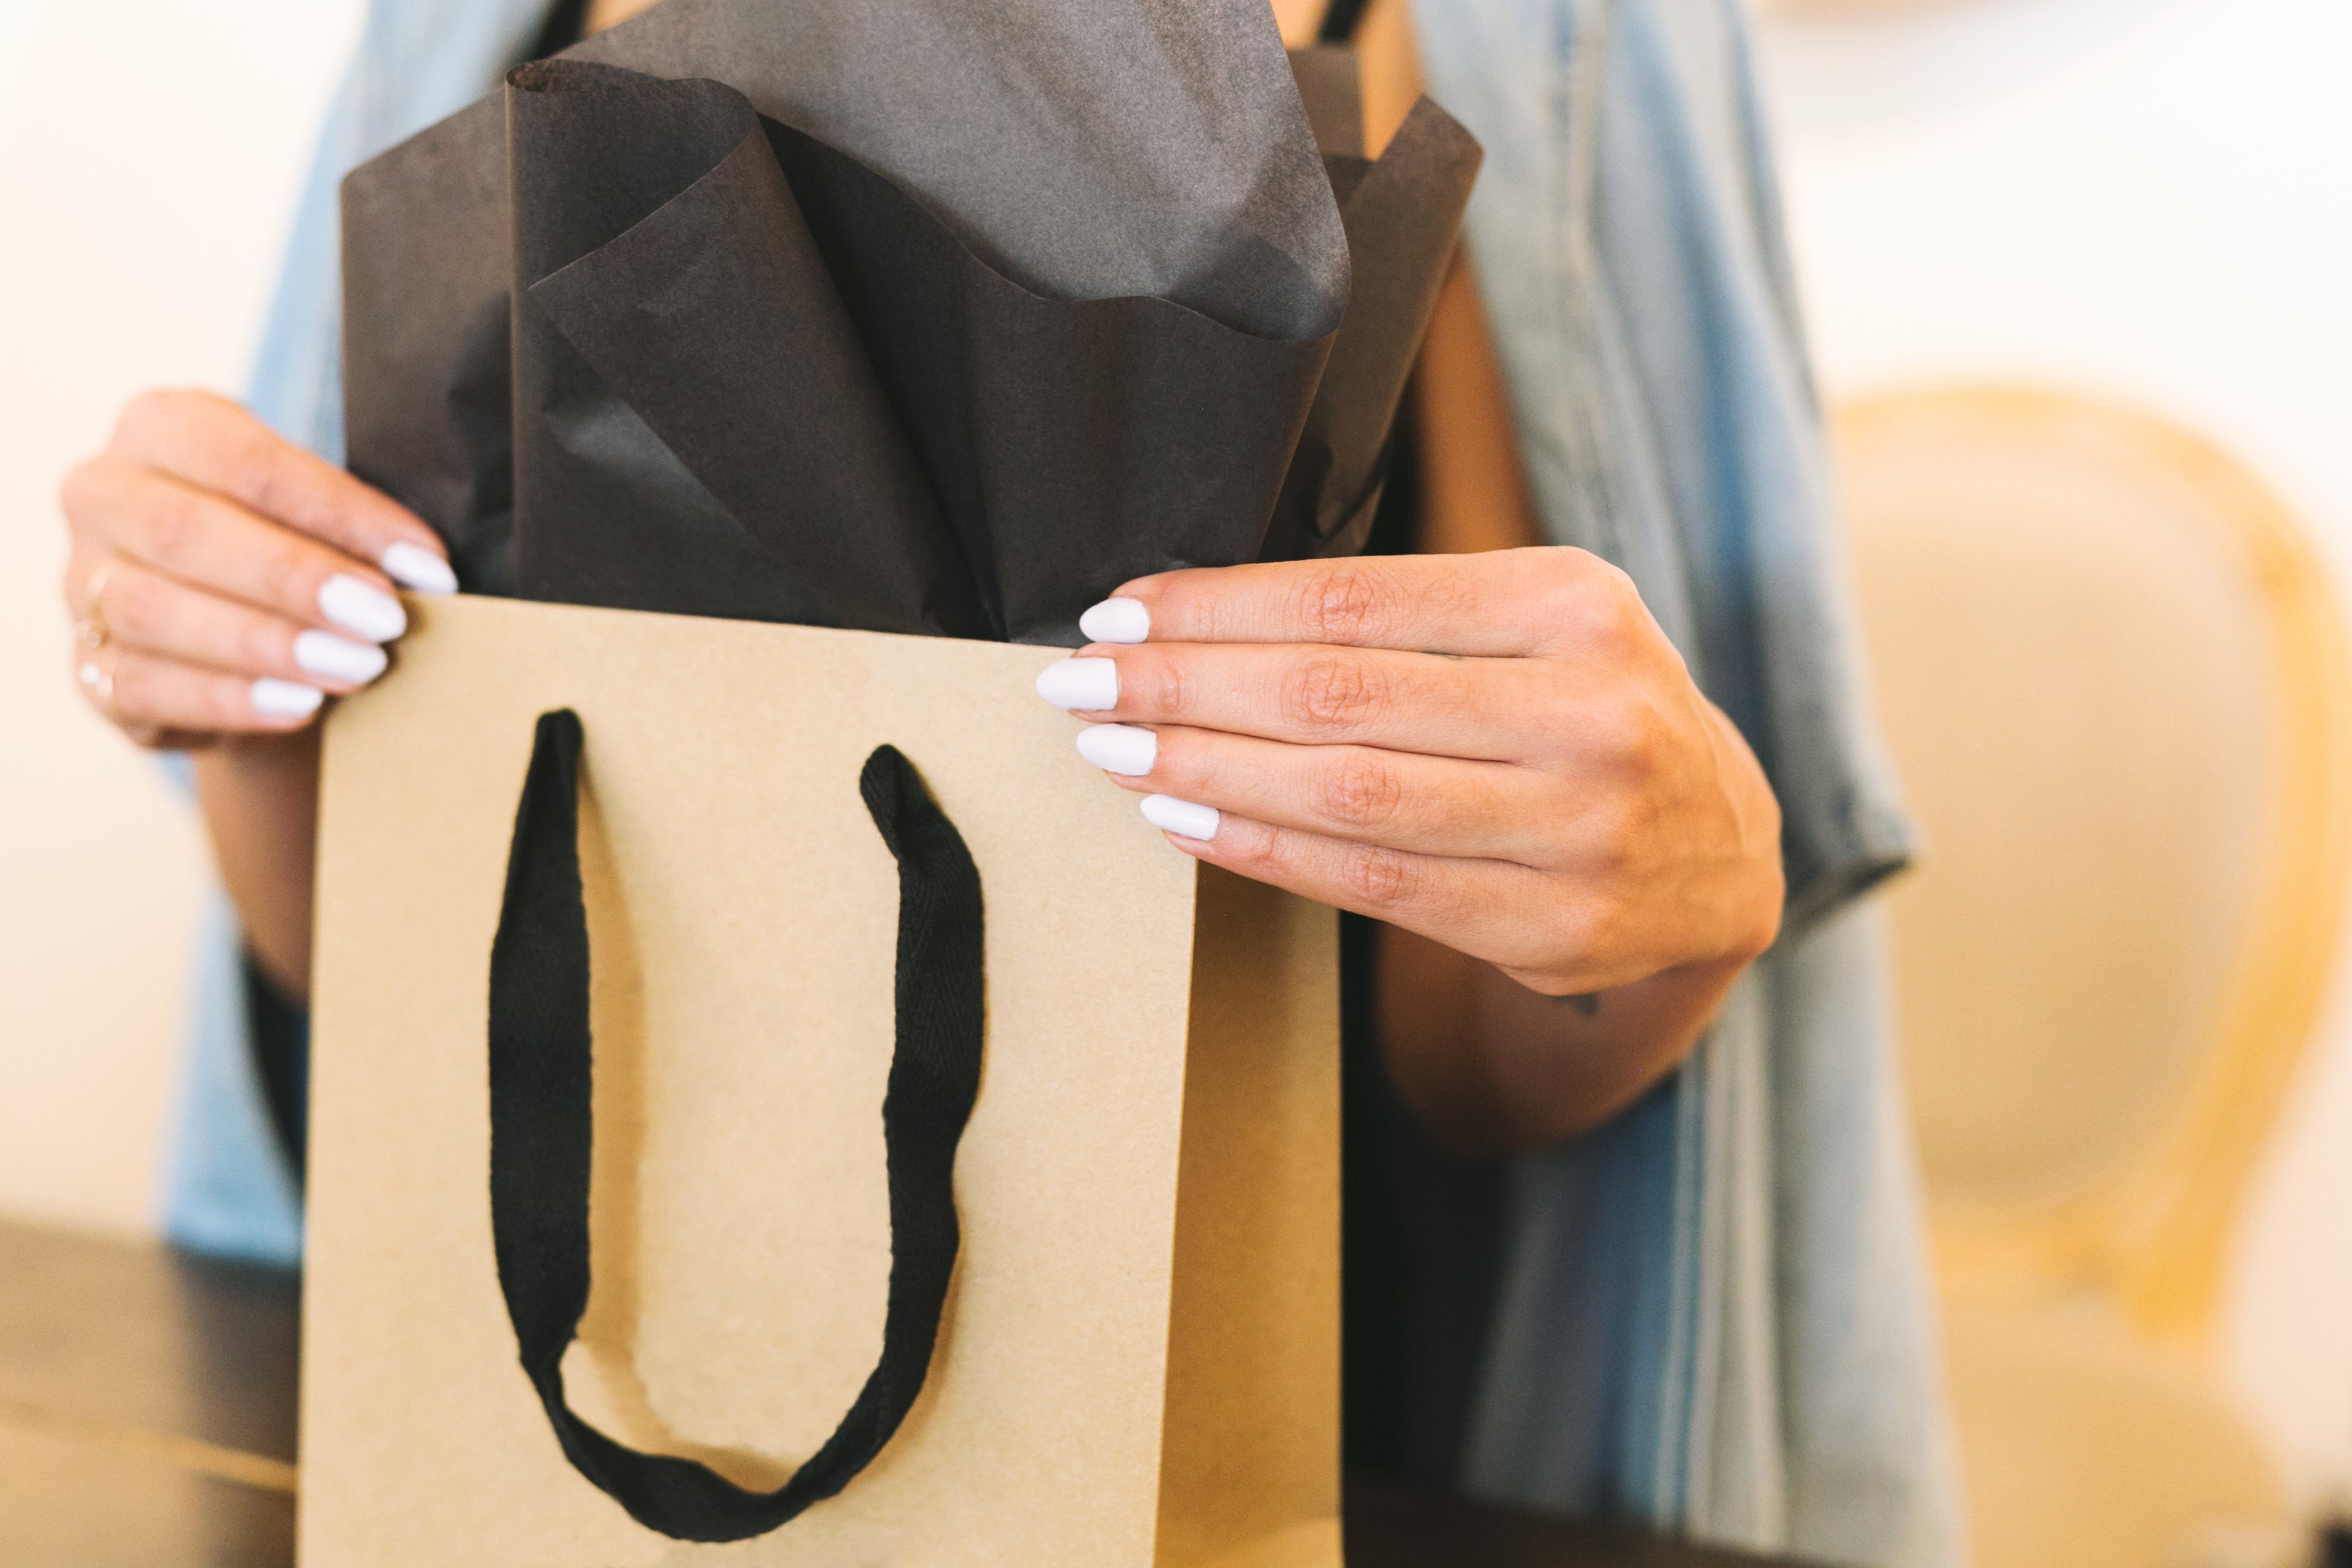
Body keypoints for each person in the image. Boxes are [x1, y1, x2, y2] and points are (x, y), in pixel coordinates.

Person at [55, 0, 1958, 1563]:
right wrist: (235, 683)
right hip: (542, 1383)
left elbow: (1453, 1077)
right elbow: (380, 981)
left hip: (1309, 1432)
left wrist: (1664, 910)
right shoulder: (446, 28)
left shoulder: (1554, 43)